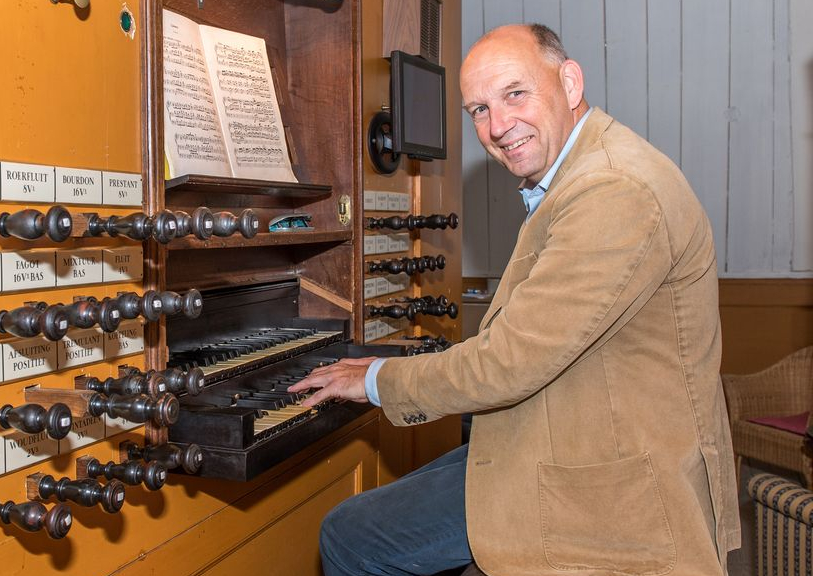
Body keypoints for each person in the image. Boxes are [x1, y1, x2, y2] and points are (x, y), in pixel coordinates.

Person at [288, 23, 741, 576]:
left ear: (570, 83)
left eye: (514, 94)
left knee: (350, 537)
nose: (498, 126)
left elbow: (509, 361)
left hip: (609, 482)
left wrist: (376, 379)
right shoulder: (581, 173)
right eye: (478, 109)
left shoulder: (614, 190)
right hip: (566, 433)